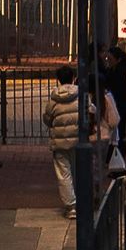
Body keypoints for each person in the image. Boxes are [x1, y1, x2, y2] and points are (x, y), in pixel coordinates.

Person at [43, 66, 81, 218]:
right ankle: (80, 200)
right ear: (73, 77)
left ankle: (71, 206)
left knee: (63, 173)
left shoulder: (54, 98)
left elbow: (47, 118)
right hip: (78, 140)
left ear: (59, 79)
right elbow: (91, 111)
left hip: (59, 142)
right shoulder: (80, 94)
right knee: (77, 171)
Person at [102, 45, 126, 148]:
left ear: (117, 59)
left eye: (110, 59)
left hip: (119, 106)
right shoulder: (112, 71)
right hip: (117, 105)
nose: (108, 61)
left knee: (120, 133)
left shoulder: (119, 74)